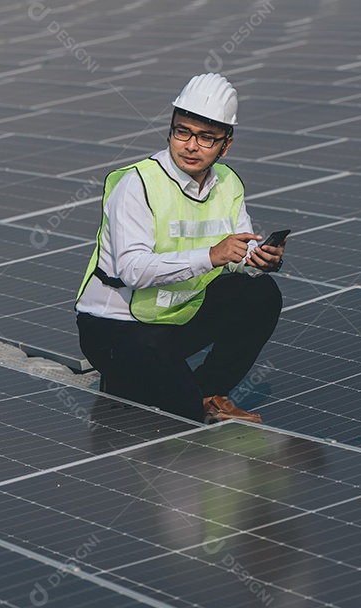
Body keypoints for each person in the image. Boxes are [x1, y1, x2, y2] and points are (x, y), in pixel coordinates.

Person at [75, 73, 284, 424]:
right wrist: (211, 256)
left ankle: (208, 391)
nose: (190, 145)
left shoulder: (228, 184)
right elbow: (133, 271)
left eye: (206, 138)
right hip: (116, 329)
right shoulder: (138, 183)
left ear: (225, 145)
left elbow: (236, 253)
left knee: (261, 292)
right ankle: (130, 379)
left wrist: (258, 260)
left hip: (174, 316)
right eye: (182, 131)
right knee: (181, 419)